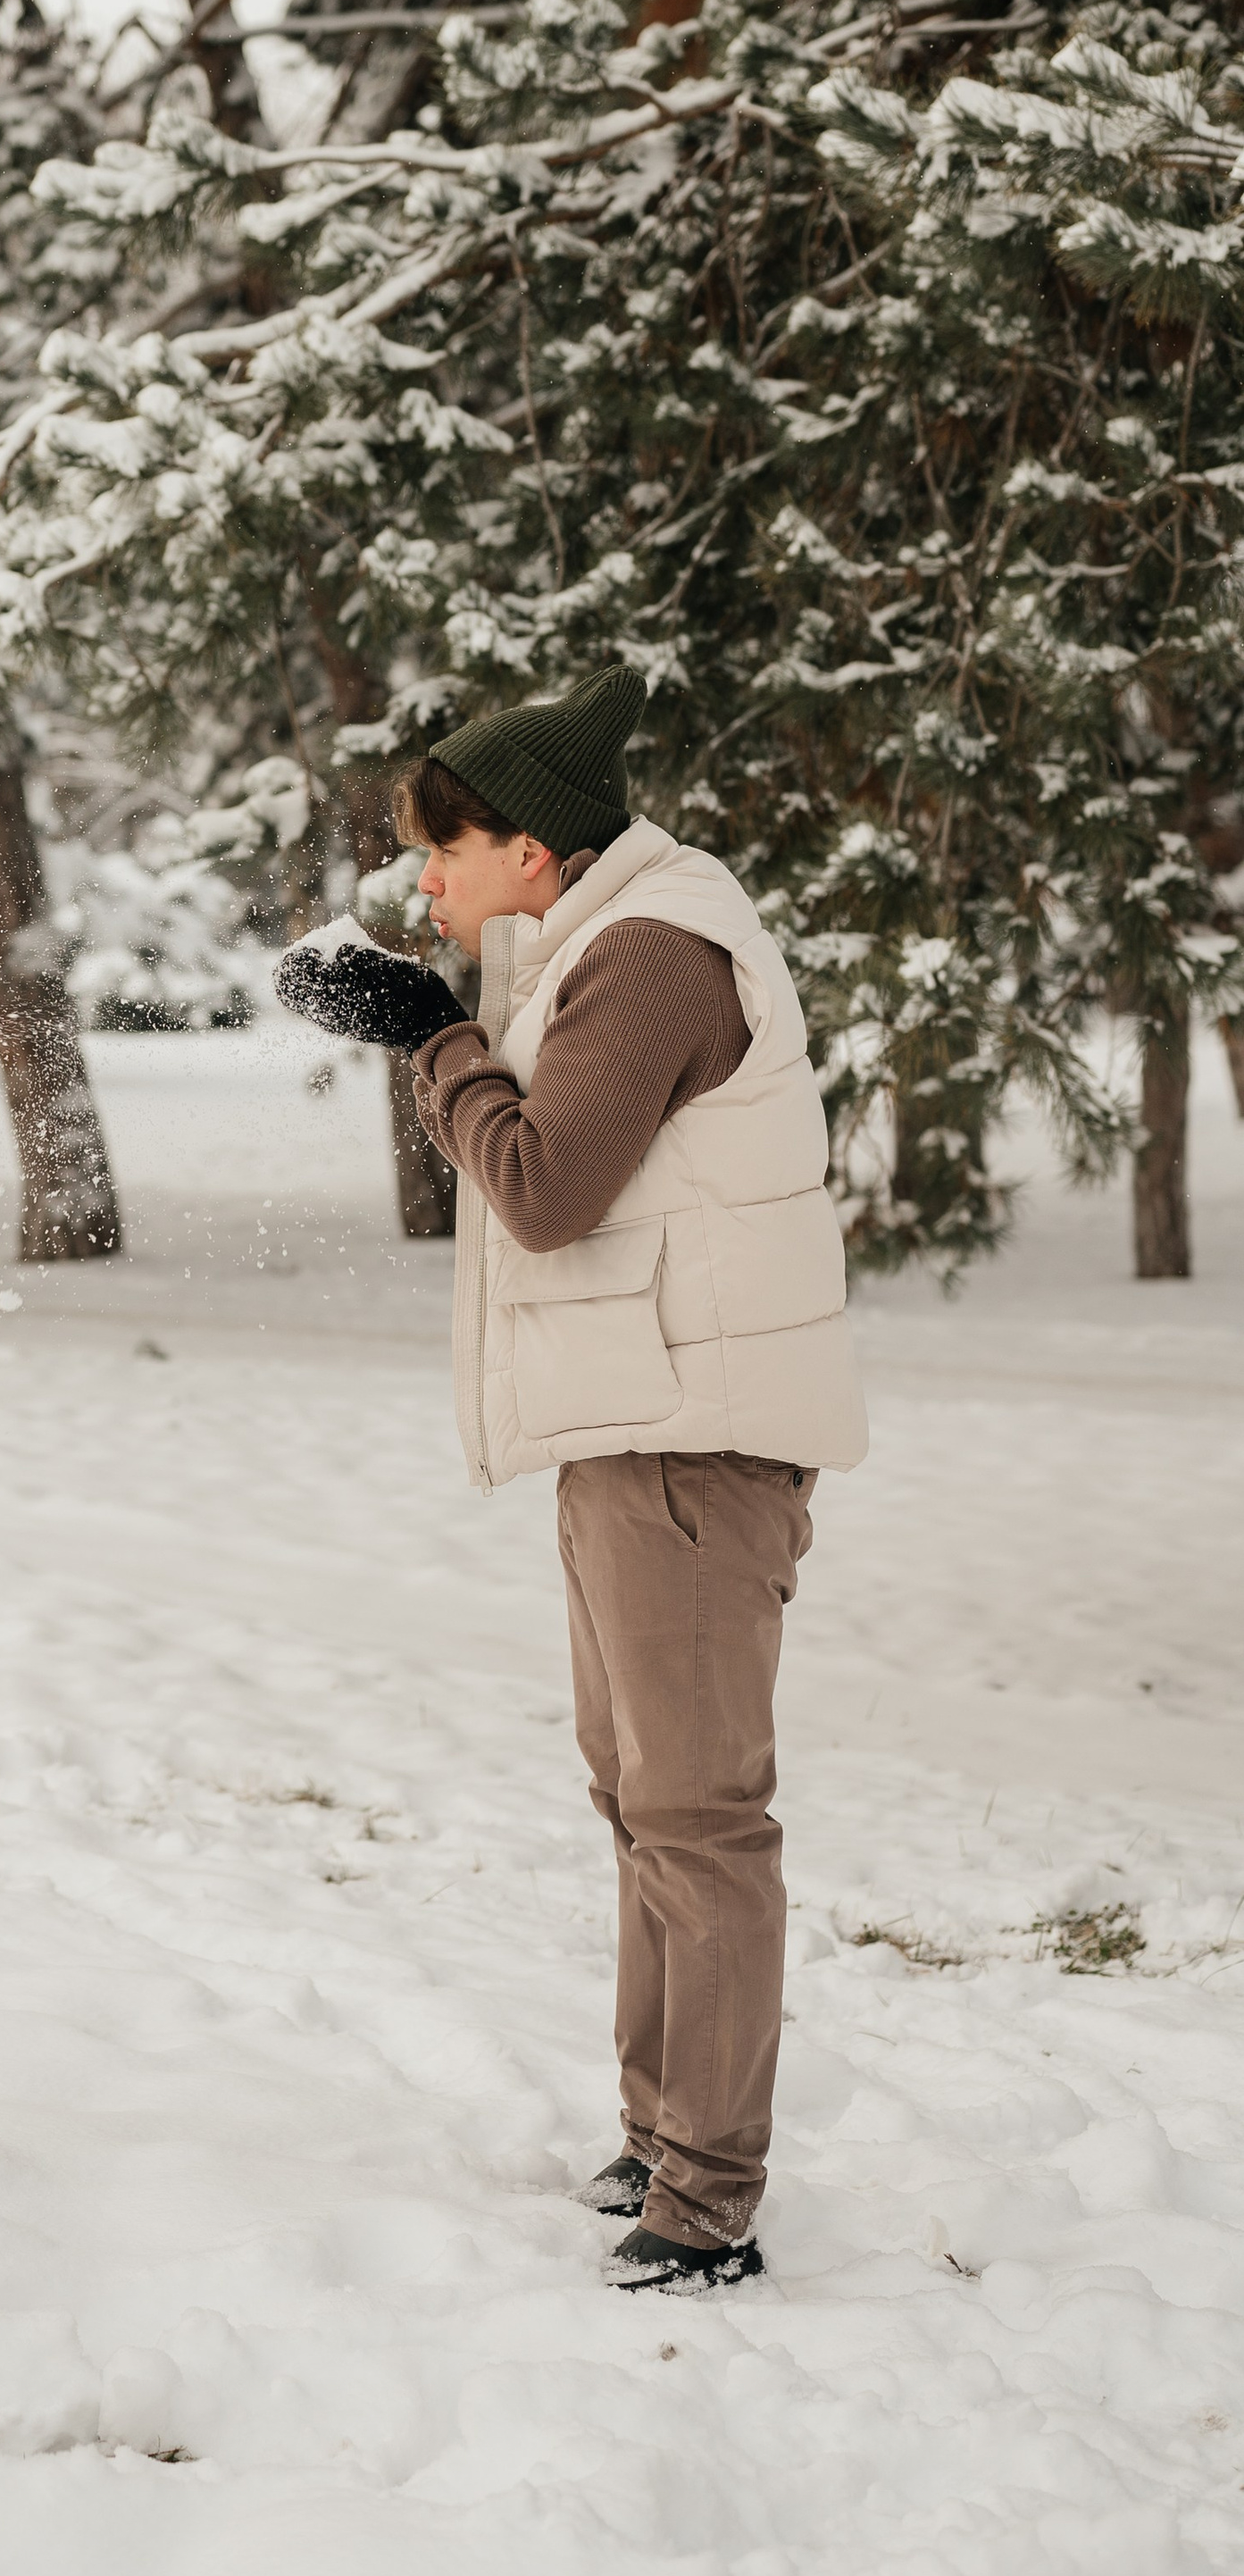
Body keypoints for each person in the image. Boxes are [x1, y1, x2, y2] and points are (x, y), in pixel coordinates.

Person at [278, 666, 866, 2290]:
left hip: (691, 1444)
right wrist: (429, 1010)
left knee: (697, 1816)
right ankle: (659, 2132)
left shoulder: (660, 953)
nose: (425, 886)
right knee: (638, 1802)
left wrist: (439, 1036)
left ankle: (710, 2194)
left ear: (532, 853)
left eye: (442, 856)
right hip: (637, 1435)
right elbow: (521, 1066)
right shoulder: (597, 936)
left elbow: (545, 1187)